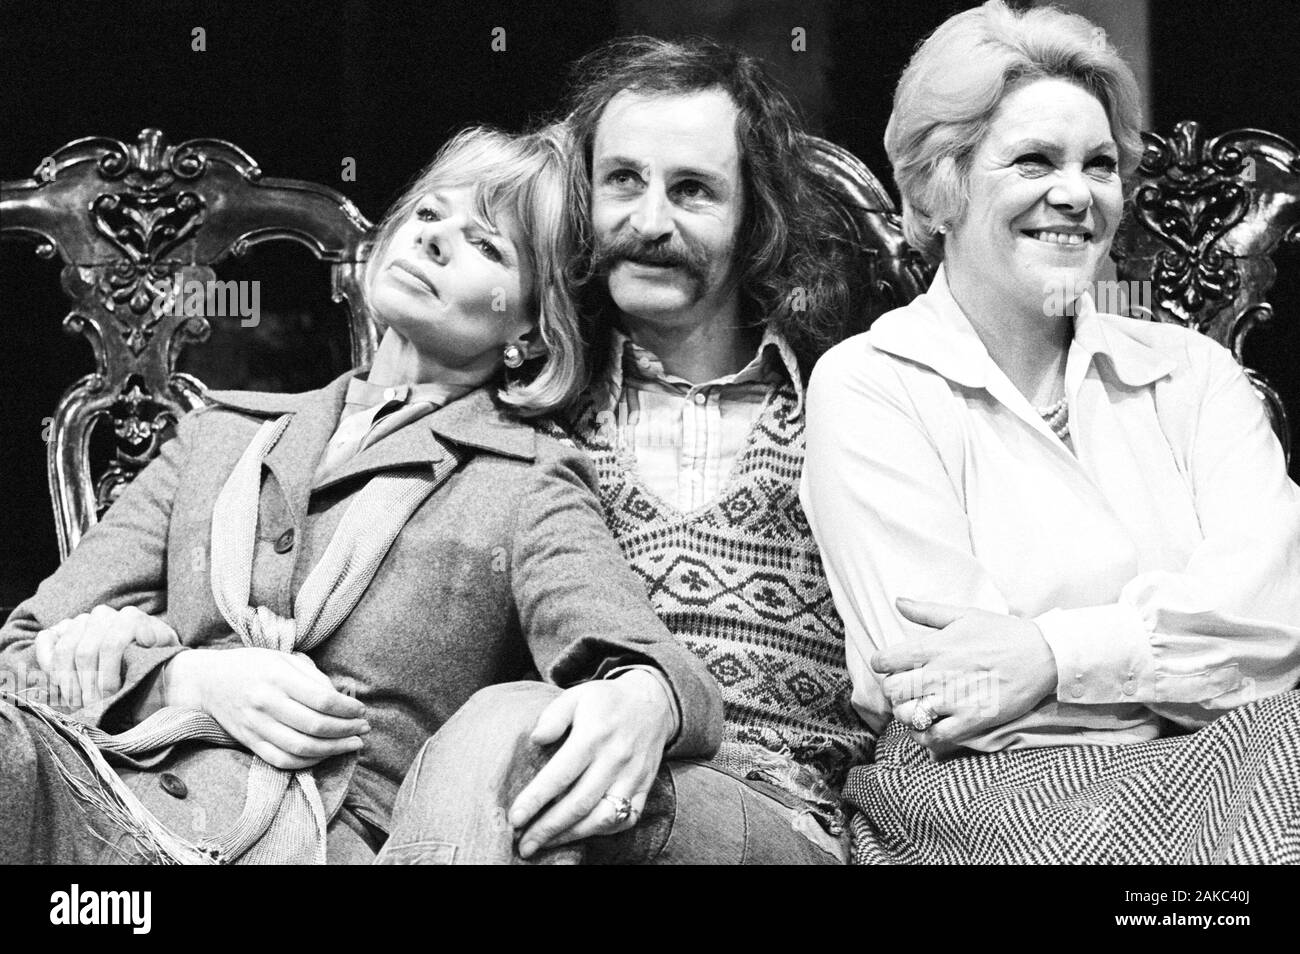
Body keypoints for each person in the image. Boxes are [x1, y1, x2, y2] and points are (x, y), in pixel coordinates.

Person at [0, 125, 722, 864]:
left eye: (486, 246)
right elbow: (19, 655)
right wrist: (185, 679)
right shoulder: (216, 434)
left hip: (309, 841)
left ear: (531, 330)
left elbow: (646, 664)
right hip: (98, 802)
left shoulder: (525, 477)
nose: (433, 240)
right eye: (429, 214)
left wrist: (649, 700)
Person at [801, 0, 1300, 864]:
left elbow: (1283, 625)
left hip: (1244, 764)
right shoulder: (869, 384)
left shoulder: (1194, 373)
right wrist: (1189, 664)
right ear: (940, 187)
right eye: (1034, 160)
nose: (1076, 194)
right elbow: (947, 691)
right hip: (981, 798)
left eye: (1100, 164)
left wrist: (1049, 654)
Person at [377, 37, 870, 865]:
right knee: (524, 754)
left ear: (754, 218)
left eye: (693, 191)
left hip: (781, 817)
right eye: (623, 183)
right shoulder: (528, 418)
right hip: (556, 776)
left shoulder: (844, 403)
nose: (649, 222)